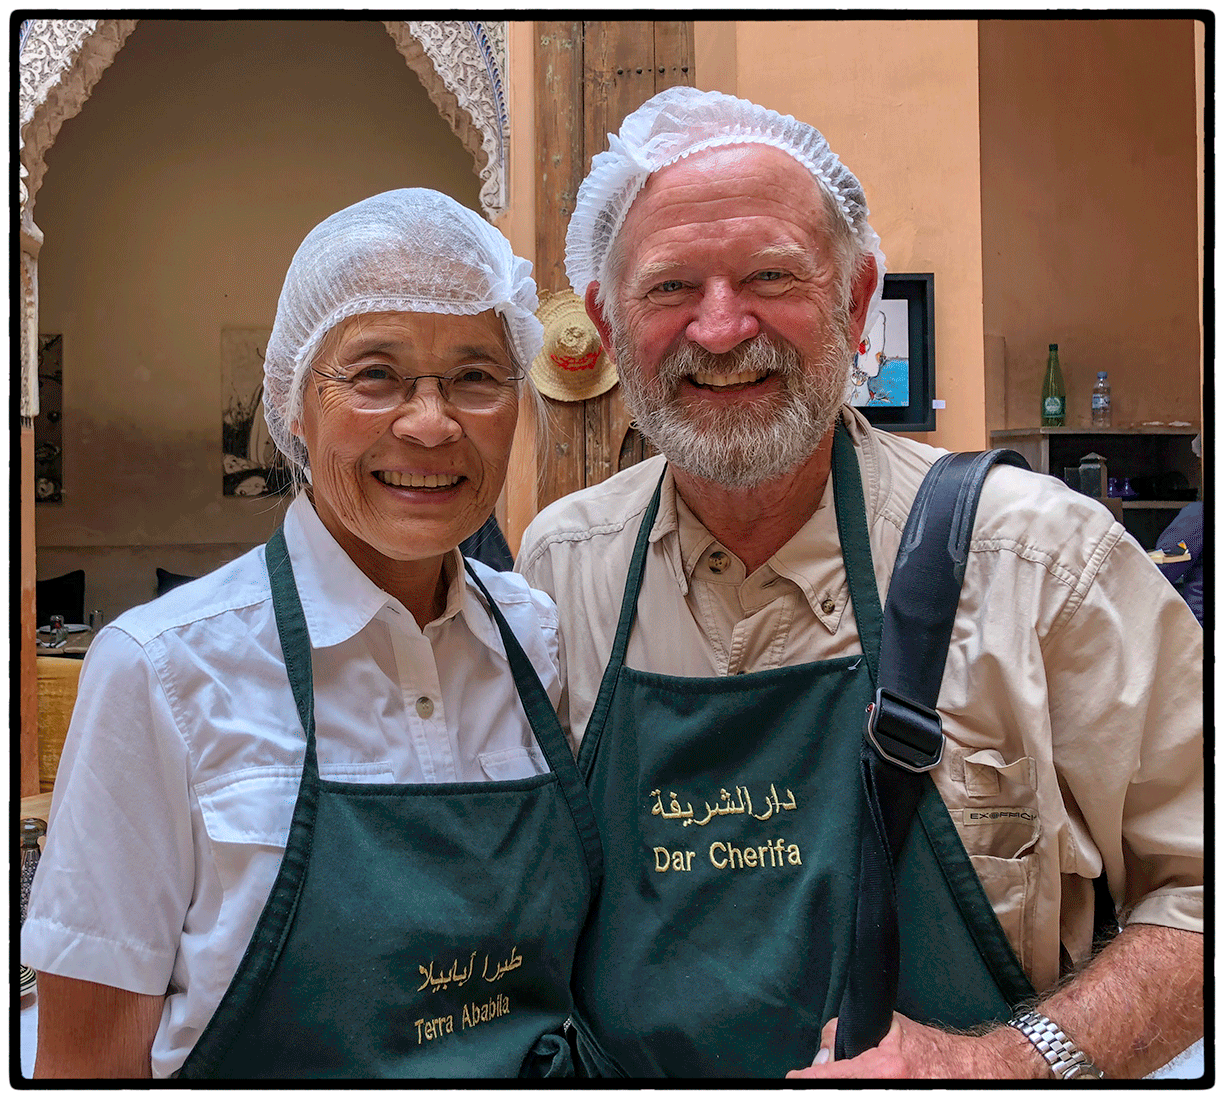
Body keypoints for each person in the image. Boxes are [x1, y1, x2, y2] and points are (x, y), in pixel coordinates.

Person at [517, 87, 1203, 1079]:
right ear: (609, 324)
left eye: (769, 275)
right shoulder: (561, 564)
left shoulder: (1043, 562)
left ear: (855, 300)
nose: (719, 329)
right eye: (669, 289)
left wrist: (1003, 1066)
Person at [22, 189, 602, 1079]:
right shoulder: (160, 670)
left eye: (476, 376)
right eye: (376, 374)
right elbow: (85, 1062)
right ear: (294, 404)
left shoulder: (538, 639)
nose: (431, 421)